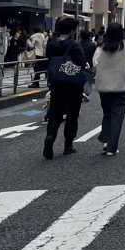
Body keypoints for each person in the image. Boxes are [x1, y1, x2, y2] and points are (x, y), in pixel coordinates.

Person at [43, 16, 87, 159]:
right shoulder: (73, 45)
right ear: (72, 30)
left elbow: (48, 59)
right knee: (72, 114)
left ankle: (50, 136)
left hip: (56, 82)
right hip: (73, 84)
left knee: (55, 113)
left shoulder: (51, 43)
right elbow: (81, 61)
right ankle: (68, 145)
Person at [92, 22, 125, 156]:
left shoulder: (101, 46)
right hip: (120, 85)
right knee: (117, 116)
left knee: (107, 113)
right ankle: (111, 147)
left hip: (103, 85)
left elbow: (95, 62)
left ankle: (106, 140)